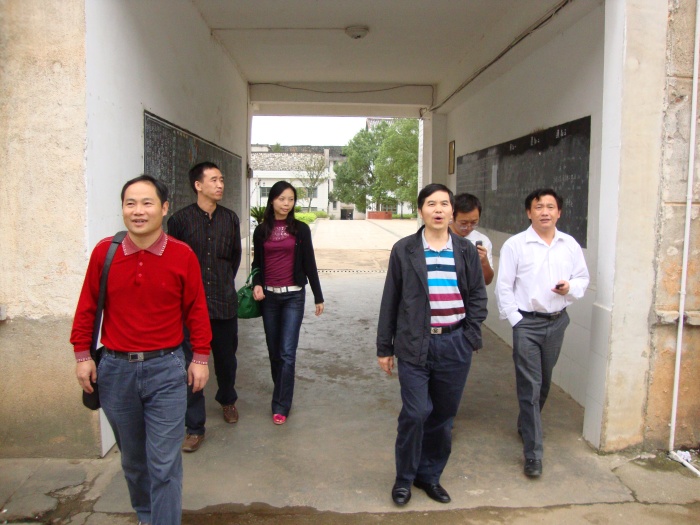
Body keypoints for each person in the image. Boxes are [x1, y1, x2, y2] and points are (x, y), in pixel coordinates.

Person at [71, 175, 211, 525]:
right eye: (130, 203)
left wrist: (200, 357)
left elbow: (197, 310)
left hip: (166, 369)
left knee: (164, 464)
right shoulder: (105, 252)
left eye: (147, 203)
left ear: (164, 208)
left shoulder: (182, 255)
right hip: (116, 371)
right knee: (134, 463)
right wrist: (83, 356)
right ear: (122, 208)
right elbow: (87, 306)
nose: (138, 211)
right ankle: (147, 517)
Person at [377, 183, 488, 506]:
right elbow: (390, 300)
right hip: (415, 343)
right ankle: (404, 478)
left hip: (455, 343)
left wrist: (468, 335)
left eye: (444, 204)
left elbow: (478, 297)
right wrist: (385, 348)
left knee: (442, 417)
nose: (438, 209)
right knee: (415, 412)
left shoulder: (465, 250)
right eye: (431, 204)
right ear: (420, 210)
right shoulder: (405, 250)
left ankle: (429, 476)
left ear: (452, 211)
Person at [495, 188, 589, 478]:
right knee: (530, 387)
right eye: (539, 207)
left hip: (557, 322)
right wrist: (516, 321)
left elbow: (582, 278)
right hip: (527, 324)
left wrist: (569, 287)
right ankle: (533, 454)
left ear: (559, 212)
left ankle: (526, 425)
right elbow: (504, 286)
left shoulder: (569, 244)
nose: (545, 212)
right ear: (529, 212)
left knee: (544, 383)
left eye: (550, 207)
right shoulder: (515, 245)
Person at [167, 162, 242, 453]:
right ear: (198, 185)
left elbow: (234, 258)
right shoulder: (180, 221)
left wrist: (222, 283)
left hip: (223, 302)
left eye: (221, 179)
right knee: (191, 366)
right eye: (214, 180)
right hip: (190, 308)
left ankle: (227, 399)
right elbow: (174, 262)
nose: (220, 185)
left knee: (226, 360)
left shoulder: (230, 219)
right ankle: (195, 427)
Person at [251, 181, 324, 425]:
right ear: (272, 200)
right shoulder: (261, 231)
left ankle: (281, 404)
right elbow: (256, 264)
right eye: (282, 199)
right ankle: (281, 388)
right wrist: (257, 283)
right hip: (269, 298)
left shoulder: (301, 230)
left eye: (291, 199)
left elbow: (309, 262)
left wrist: (318, 295)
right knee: (274, 352)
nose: (286, 204)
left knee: (287, 353)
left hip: (294, 296)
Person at [450, 193, 494, 285]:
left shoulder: (482, 240)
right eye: (463, 223)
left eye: (474, 223)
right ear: (452, 217)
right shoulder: (441, 236)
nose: (469, 227)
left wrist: (484, 262)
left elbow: (487, 281)